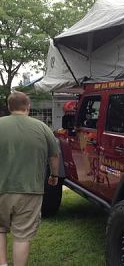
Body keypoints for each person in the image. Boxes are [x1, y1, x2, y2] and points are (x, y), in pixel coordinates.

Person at [0, 92, 59, 266]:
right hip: (30, 190)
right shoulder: (42, 127)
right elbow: (54, 156)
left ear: (9, 107)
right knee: (22, 235)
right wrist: (54, 175)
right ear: (28, 106)